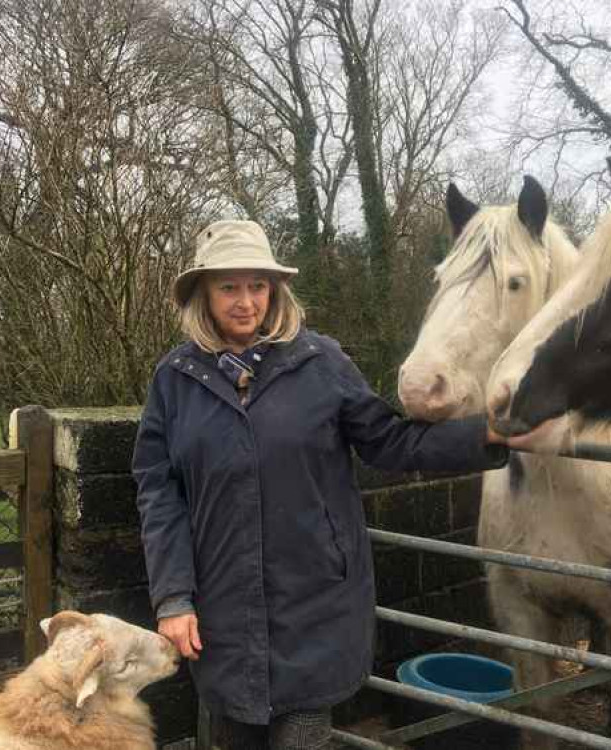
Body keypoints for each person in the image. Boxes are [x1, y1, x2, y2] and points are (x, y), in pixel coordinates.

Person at [132, 220, 508, 750]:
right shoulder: (174, 379)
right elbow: (158, 492)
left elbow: (391, 442)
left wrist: (488, 435)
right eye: (229, 287)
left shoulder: (319, 362)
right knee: (232, 735)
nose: (246, 302)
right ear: (203, 294)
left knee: (302, 737)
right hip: (221, 604)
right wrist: (173, 597)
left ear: (275, 289)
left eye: (257, 285)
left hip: (313, 600)